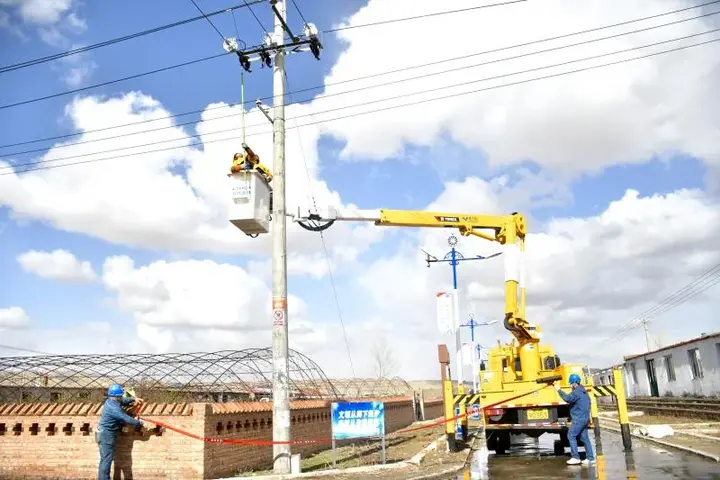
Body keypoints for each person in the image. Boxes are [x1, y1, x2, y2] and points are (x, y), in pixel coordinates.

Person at [96, 384, 144, 480]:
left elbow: (123, 401)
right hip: (106, 434)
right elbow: (126, 418)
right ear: (116, 396)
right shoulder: (114, 408)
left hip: (104, 433)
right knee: (106, 460)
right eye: (120, 395)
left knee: (105, 459)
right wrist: (139, 423)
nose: (121, 397)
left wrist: (134, 399)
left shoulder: (110, 401)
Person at [555, 373, 596, 466]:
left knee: (571, 435)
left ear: (574, 383)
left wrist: (558, 389)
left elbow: (567, 398)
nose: (570, 385)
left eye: (570, 383)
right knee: (585, 438)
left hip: (579, 419)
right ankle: (590, 458)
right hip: (585, 419)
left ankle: (575, 457)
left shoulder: (576, 392)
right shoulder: (584, 392)